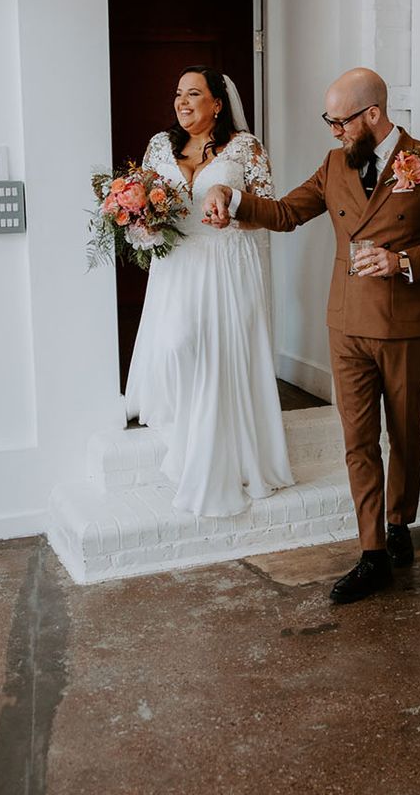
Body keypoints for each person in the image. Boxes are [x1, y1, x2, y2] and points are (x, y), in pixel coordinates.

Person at [203, 67, 420, 604]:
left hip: (405, 328)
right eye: (328, 121)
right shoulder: (333, 164)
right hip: (346, 324)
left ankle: (399, 522)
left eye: (340, 121)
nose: (333, 131)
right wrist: (232, 199)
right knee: (358, 440)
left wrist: (401, 261)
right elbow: (286, 213)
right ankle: (372, 553)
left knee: (405, 433)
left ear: (373, 114)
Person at [124, 66, 293, 517]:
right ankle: (188, 430)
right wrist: (140, 224)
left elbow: (268, 212)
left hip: (227, 263)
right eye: (178, 93)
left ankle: (216, 447)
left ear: (217, 103)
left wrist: (234, 215)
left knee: (219, 355)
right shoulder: (159, 146)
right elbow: (143, 207)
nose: (182, 102)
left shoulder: (245, 148)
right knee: (176, 344)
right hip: (177, 265)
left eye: (193, 93)